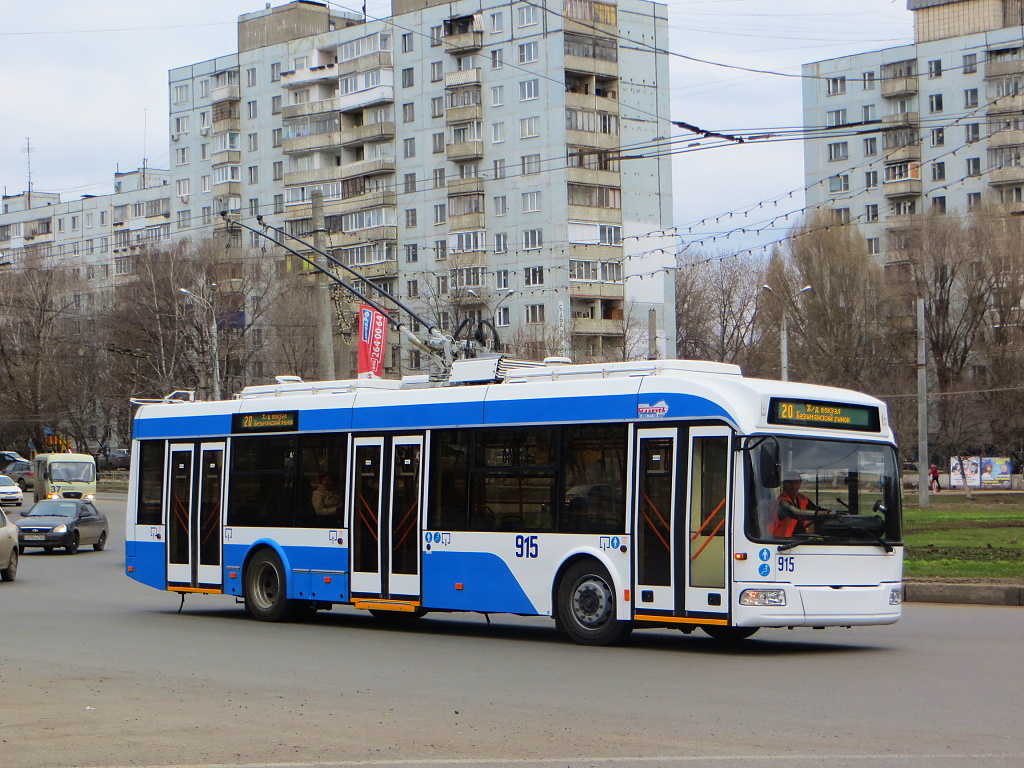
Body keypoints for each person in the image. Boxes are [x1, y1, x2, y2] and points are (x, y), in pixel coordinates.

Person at [769, 471, 829, 537]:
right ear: (784, 484)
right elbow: (796, 512)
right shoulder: (782, 501)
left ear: (800, 483)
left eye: (796, 482)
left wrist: (829, 512)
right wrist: (820, 513)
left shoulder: (802, 498)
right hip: (783, 540)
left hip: (800, 537)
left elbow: (815, 509)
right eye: (790, 483)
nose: (793, 486)